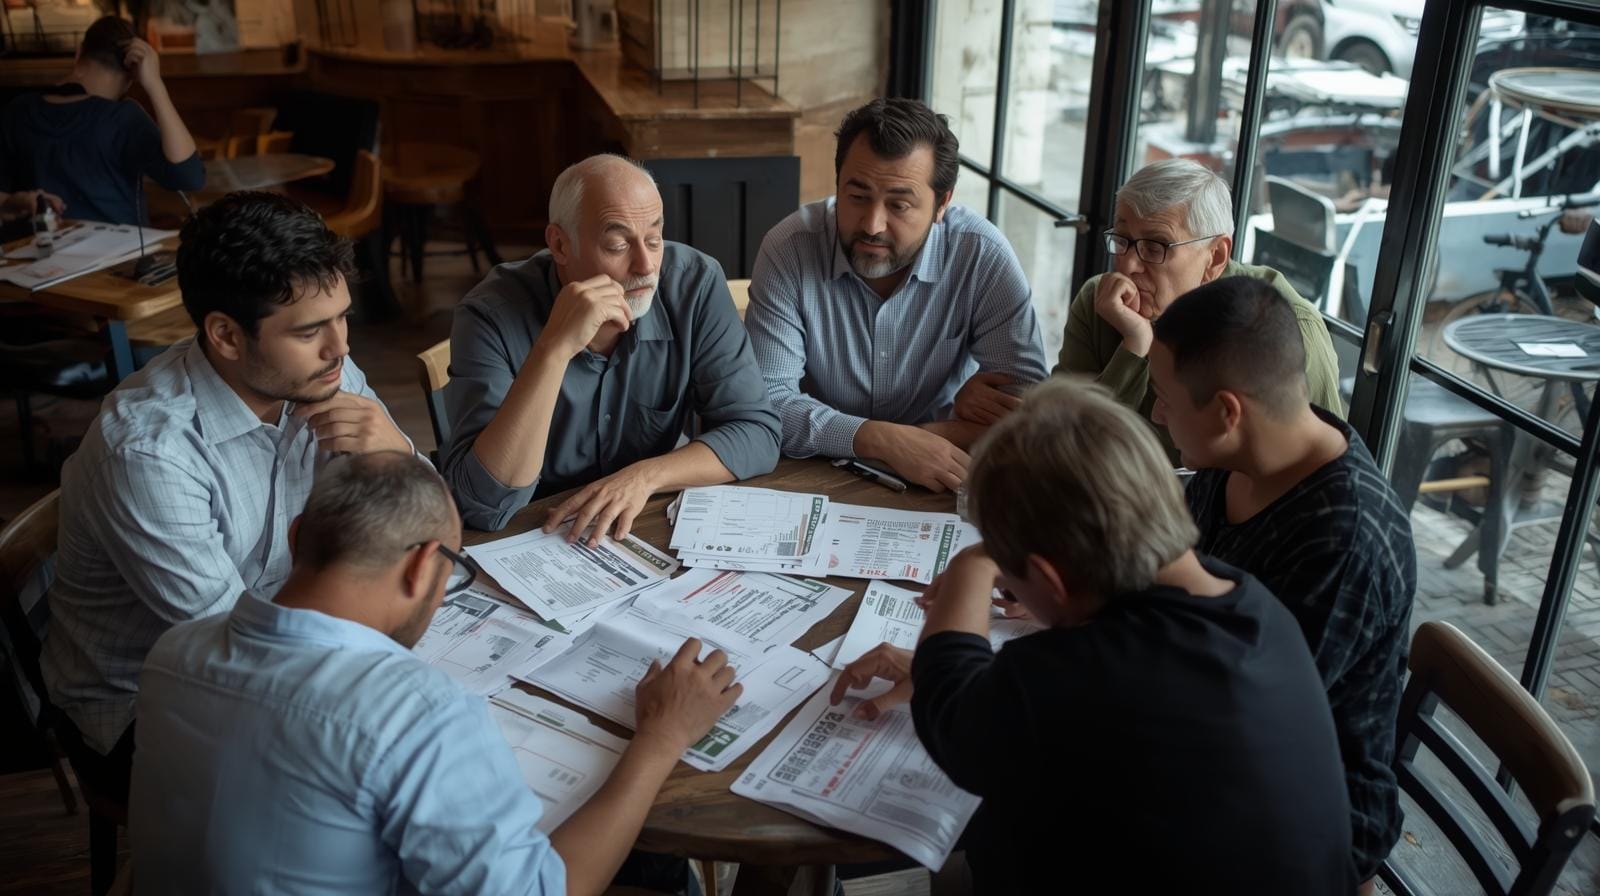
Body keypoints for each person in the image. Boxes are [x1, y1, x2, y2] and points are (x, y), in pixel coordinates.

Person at [130, 451, 742, 894]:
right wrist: (661, 739)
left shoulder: (174, 652)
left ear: (298, 540)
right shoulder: (414, 712)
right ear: (426, 566)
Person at [832, 378, 1356, 893]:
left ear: (1053, 581)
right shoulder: (1253, 603)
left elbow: (952, 717)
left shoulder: (1083, 674)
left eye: (1011, 577)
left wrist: (973, 563)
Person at [40, 191, 411, 806]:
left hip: (284, 637)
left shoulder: (320, 372)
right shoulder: (149, 452)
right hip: (147, 704)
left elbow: (417, 523)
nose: (340, 348)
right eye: (311, 330)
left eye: (343, 317)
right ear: (226, 336)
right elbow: (236, 655)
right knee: (374, 791)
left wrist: (396, 452)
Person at [1148, 275, 1415, 885]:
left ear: (1225, 411)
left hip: (1304, 815)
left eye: (1162, 397)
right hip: (1217, 738)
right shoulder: (1254, 449)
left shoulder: (1344, 543)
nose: (1158, 413)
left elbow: (1247, 723)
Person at [442, 154, 780, 535]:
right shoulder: (489, 314)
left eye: (654, 239)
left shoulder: (694, 285)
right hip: (536, 532)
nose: (646, 265)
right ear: (560, 245)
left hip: (641, 520)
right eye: (618, 245)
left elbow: (756, 433)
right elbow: (482, 505)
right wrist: (553, 351)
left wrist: (644, 477)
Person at [745, 98, 1049, 492]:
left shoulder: (981, 255)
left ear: (942, 203)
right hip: (814, 471)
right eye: (857, 197)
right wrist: (884, 439)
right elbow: (766, 402)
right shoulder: (790, 246)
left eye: (899, 205)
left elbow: (1027, 409)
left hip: (937, 470)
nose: (872, 224)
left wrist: (933, 432)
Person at [1027, 158, 1342, 453]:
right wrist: (1135, 346)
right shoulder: (1102, 301)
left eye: (1155, 246)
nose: (1128, 265)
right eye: (1122, 240)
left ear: (1215, 256)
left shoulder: (1285, 331)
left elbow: (1314, 463)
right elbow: (1057, 442)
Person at [0, 16, 203, 226]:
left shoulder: (17, 111)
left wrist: (15, 203)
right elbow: (189, 176)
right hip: (122, 255)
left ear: (79, 53)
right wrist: (155, 84)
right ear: (132, 74)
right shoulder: (121, 118)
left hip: (36, 253)